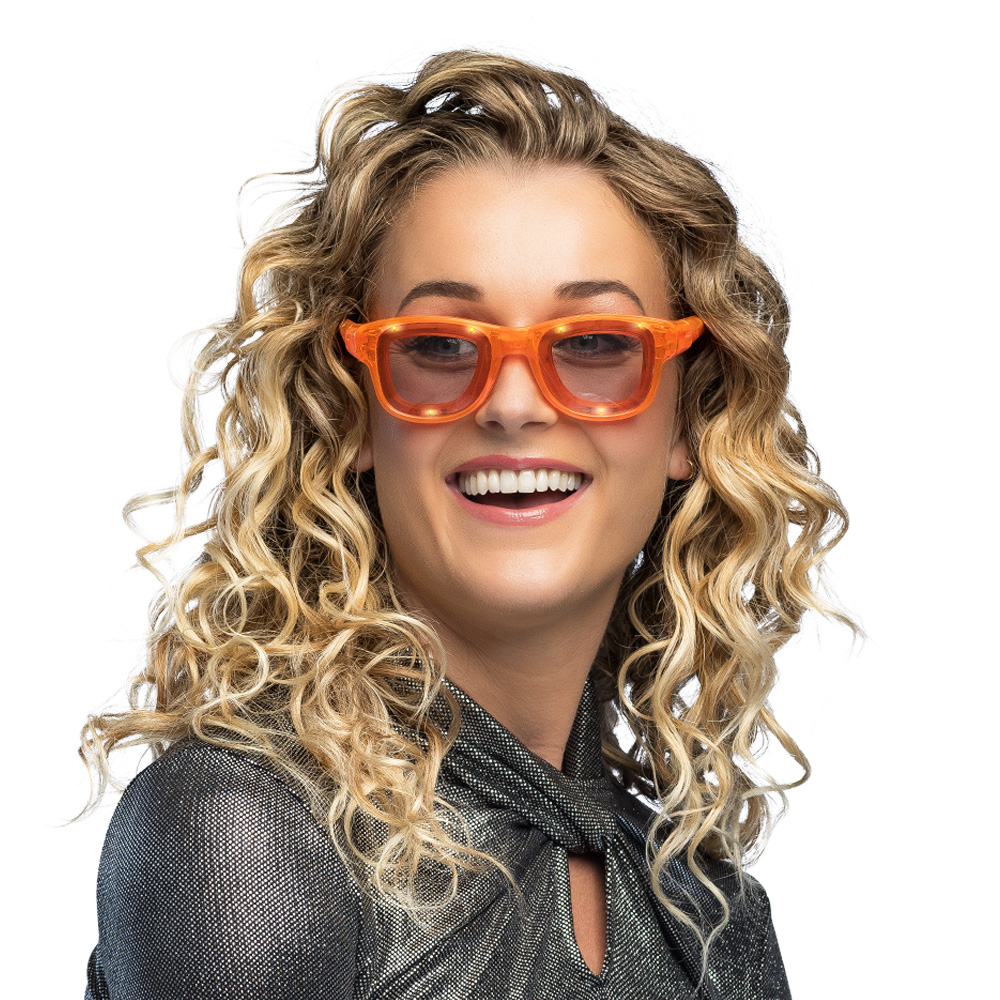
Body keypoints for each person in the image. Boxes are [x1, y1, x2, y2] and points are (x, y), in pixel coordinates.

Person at [81, 50, 848, 1000]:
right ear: (352, 412)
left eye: (595, 345)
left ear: (689, 420)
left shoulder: (711, 914)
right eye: (440, 347)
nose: (514, 405)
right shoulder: (244, 835)